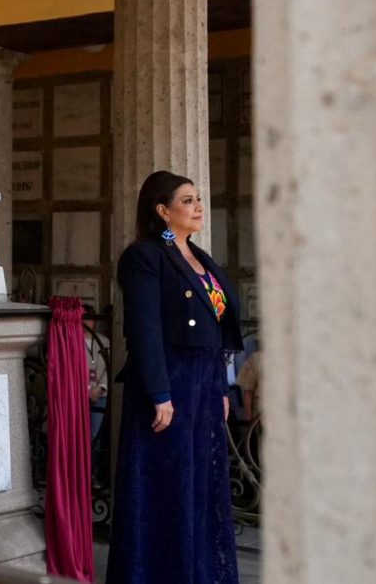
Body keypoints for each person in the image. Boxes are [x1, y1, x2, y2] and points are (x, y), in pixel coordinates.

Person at [107, 170, 242, 584]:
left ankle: (197, 573)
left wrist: (221, 387)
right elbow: (145, 330)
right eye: (187, 200)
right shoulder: (146, 256)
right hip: (168, 382)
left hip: (203, 383)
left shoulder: (199, 258)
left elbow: (217, 331)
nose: (198, 206)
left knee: (200, 484)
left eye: (198, 198)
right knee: (166, 486)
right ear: (163, 211)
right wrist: (160, 392)